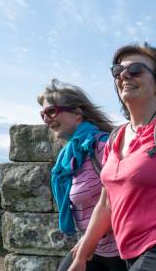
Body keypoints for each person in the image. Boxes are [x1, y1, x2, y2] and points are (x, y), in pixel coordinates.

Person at [69, 42, 156, 271]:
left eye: (136, 69)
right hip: (130, 252)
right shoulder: (115, 137)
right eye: (118, 70)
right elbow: (106, 203)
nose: (124, 74)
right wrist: (82, 256)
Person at [37, 79, 126, 271]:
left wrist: (87, 243)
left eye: (51, 111)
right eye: (43, 114)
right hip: (94, 248)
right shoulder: (71, 157)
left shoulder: (102, 147)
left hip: (121, 252)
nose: (46, 119)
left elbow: (122, 200)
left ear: (78, 113)